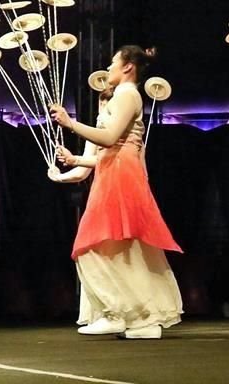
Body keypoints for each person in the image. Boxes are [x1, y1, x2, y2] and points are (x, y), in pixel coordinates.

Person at [50, 46, 182, 340]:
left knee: (90, 246)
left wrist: (70, 123)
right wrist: (72, 162)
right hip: (115, 171)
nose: (108, 68)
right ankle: (141, 321)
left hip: (120, 173)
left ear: (128, 67)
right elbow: (106, 149)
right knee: (119, 249)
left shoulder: (127, 94)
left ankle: (118, 313)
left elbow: (109, 139)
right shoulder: (124, 96)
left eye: (112, 63)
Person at [49, 86, 113, 326]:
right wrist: (60, 176)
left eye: (106, 109)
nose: (101, 115)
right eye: (99, 109)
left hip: (120, 191)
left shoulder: (124, 130)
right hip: (100, 195)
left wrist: (76, 159)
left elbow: (110, 159)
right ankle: (98, 312)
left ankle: (120, 311)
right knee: (89, 250)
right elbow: (84, 170)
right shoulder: (96, 133)